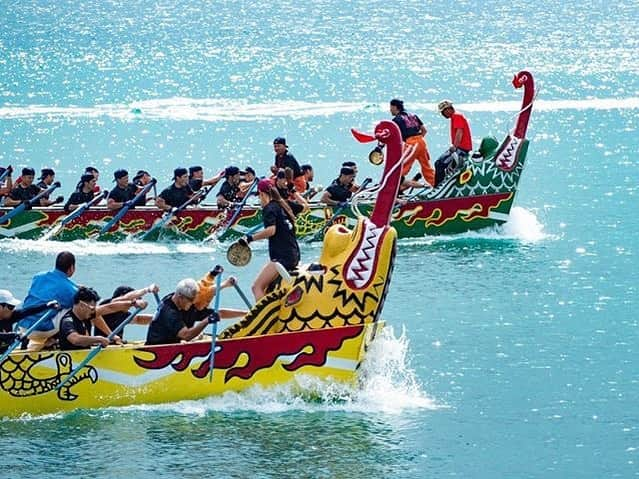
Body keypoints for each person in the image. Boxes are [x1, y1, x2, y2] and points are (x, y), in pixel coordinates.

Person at [240, 179, 300, 300]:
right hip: (294, 256)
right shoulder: (284, 204)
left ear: (261, 194)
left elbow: (271, 230)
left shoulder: (269, 209)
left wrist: (249, 238)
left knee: (256, 287)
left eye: (259, 196)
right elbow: (302, 207)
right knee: (268, 288)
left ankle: (262, 317)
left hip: (281, 259)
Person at [145, 279, 216, 345]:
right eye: (191, 300)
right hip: (158, 348)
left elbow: (207, 292)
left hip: (172, 343)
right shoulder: (169, 313)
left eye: (194, 299)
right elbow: (186, 335)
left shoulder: (178, 299)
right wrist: (207, 321)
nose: (193, 302)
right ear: (180, 297)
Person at [390, 98, 435, 187]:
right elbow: (424, 130)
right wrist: (418, 140)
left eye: (391, 107)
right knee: (426, 167)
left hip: (411, 143)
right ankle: (436, 185)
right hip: (421, 142)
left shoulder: (396, 120)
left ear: (395, 107)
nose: (390, 110)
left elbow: (392, 137)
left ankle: (394, 188)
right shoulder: (413, 115)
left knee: (401, 168)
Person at [94, 284, 159, 340]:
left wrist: (160, 317)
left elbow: (139, 319)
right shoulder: (106, 306)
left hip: (116, 345)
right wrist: (147, 289)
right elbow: (125, 298)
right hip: (102, 346)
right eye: (134, 298)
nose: (131, 305)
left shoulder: (124, 314)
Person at [435, 100, 473, 186]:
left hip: (461, 149)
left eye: (443, 112)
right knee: (448, 168)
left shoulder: (456, 116)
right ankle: (443, 185)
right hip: (461, 148)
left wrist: (454, 147)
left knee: (439, 164)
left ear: (448, 109)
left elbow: (459, 132)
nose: (442, 115)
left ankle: (438, 187)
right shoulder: (455, 117)